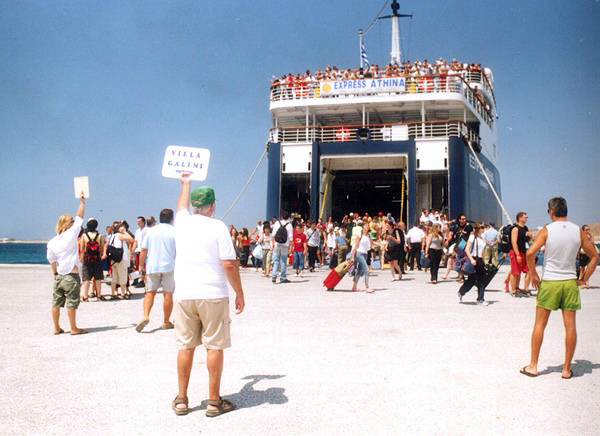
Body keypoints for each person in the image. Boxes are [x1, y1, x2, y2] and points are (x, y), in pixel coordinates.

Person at [172, 173, 245, 417]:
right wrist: (239, 293)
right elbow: (229, 264)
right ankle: (214, 402)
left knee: (185, 346)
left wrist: (185, 184)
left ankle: (182, 400)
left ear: (194, 206)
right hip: (212, 294)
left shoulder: (181, 221)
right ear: (213, 206)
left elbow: (181, 205)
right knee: (214, 346)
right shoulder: (218, 226)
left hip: (184, 294)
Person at [520, 197, 597, 379]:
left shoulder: (547, 230)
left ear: (552, 212)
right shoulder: (578, 231)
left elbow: (530, 252)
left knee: (540, 324)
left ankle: (533, 366)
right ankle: (566, 369)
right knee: (570, 327)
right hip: (570, 282)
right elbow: (595, 256)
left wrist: (533, 274)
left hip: (550, 282)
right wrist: (584, 279)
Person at [46, 195, 87, 335]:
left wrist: (55, 273)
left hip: (60, 275)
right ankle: (73, 328)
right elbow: (80, 216)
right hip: (71, 274)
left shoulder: (52, 241)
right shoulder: (72, 234)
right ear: (69, 224)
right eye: (72, 221)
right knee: (72, 302)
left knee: (56, 302)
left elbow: (51, 259)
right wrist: (82, 202)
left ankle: (56, 327)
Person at [136, 208, 176, 332]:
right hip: (169, 266)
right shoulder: (175, 231)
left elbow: (144, 250)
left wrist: (141, 266)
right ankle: (165, 321)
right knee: (168, 293)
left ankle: (146, 316)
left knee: (150, 292)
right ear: (171, 219)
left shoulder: (151, 231)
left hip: (153, 266)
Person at [457, 223, 489, 306]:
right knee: (472, 280)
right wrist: (471, 259)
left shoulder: (482, 238)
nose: (484, 228)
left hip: (480, 260)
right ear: (478, 229)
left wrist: (485, 261)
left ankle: (480, 299)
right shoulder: (472, 237)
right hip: (474, 259)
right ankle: (461, 292)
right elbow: (467, 249)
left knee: (482, 280)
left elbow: (483, 251)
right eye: (482, 227)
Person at [106, 222, 133, 300]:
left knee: (114, 277)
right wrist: (124, 232)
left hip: (114, 259)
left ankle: (113, 293)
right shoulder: (120, 235)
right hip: (121, 259)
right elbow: (131, 239)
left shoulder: (112, 236)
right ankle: (122, 293)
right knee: (123, 276)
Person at [79, 218, 105, 301]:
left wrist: (82, 256)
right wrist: (101, 255)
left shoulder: (84, 236)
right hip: (97, 258)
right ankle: (99, 296)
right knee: (97, 278)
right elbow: (102, 247)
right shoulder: (100, 235)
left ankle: (85, 296)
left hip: (87, 259)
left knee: (87, 278)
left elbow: (82, 248)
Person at [510, 212, 532, 297]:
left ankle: (523, 288)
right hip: (516, 252)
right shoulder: (515, 229)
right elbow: (514, 242)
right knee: (515, 272)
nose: (526, 219)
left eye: (526, 217)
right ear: (520, 218)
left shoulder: (525, 228)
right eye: (525, 217)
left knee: (528, 270)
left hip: (524, 252)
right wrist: (517, 254)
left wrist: (530, 237)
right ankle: (513, 290)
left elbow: (526, 241)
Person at [271, 211, 293, 284]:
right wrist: (291, 247)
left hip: (277, 244)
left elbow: (273, 234)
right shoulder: (289, 225)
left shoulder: (277, 223)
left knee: (276, 260)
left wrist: (273, 244)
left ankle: (274, 275)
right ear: (288, 217)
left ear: (282, 217)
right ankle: (283, 278)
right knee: (283, 261)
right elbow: (291, 238)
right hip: (285, 244)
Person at [351, 224, 374, 293]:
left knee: (359, 271)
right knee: (366, 269)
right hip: (359, 253)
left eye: (368, 225)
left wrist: (380, 245)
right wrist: (352, 257)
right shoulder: (359, 235)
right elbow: (356, 246)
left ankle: (354, 286)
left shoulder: (368, 235)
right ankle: (367, 287)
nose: (367, 226)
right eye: (365, 225)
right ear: (363, 227)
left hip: (365, 254)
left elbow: (372, 243)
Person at [132, 216, 148, 288]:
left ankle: (143, 280)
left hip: (145, 250)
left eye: (139, 221)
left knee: (144, 266)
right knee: (138, 266)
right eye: (137, 221)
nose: (138, 223)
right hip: (138, 250)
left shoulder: (147, 230)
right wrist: (132, 251)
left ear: (143, 222)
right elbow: (135, 241)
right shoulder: (137, 231)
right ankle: (138, 279)